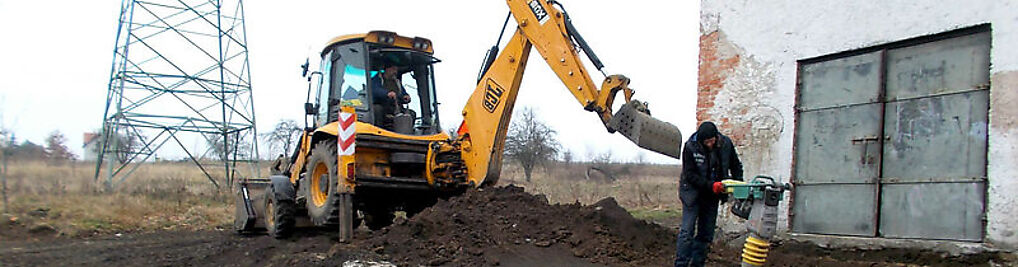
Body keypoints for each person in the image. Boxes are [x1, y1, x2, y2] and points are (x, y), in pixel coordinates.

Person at [675, 121, 743, 267]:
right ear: (701, 140)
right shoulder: (690, 147)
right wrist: (711, 185)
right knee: (687, 232)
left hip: (712, 195)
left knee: (706, 234)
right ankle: (681, 264)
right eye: (706, 142)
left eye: (711, 141)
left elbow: (736, 166)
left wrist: (739, 186)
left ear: (716, 137)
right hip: (692, 194)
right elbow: (689, 174)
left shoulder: (725, 144)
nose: (709, 144)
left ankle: (698, 264)